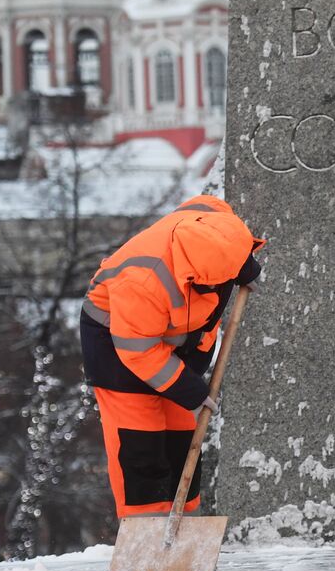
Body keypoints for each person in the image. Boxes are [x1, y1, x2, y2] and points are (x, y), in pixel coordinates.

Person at [80, 194, 263, 519]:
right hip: (117, 344)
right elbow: (138, 351)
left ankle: (184, 523)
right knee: (141, 441)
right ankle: (145, 530)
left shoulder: (218, 225)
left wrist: (241, 264)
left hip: (174, 333)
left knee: (180, 436)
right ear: (193, 275)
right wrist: (191, 390)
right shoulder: (142, 281)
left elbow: (209, 208)